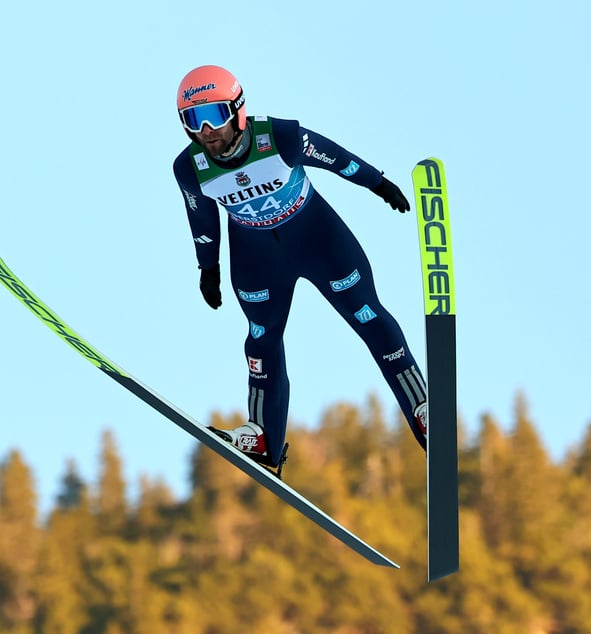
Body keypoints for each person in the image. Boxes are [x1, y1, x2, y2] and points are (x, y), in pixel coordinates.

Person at [173, 64, 427, 470]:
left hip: (319, 241)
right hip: (256, 257)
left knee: (368, 315)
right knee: (261, 339)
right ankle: (263, 439)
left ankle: (422, 409)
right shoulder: (189, 168)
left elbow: (337, 159)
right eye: (193, 120)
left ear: (237, 111)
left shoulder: (279, 136)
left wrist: (378, 184)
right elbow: (201, 219)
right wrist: (208, 268)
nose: (206, 130)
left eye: (215, 115)